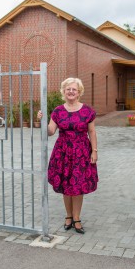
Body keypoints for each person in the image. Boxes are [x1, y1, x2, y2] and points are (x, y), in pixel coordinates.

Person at [37, 77, 98, 234]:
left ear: (79, 92)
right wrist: (42, 122)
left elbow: (91, 131)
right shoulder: (58, 111)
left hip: (82, 151)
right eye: (68, 89)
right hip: (63, 151)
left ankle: (77, 218)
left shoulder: (87, 111)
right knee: (66, 184)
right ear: (63, 91)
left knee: (78, 185)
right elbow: (51, 131)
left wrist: (94, 151)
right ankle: (68, 216)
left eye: (74, 89)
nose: (71, 91)